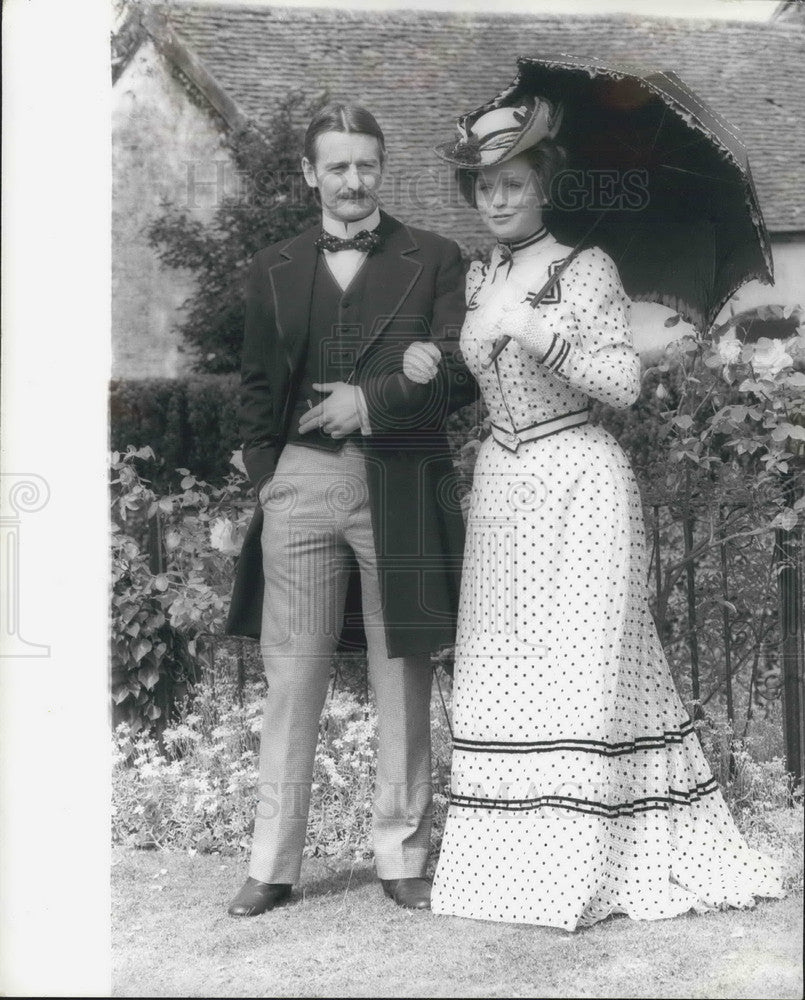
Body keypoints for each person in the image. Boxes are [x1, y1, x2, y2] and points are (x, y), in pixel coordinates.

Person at [412, 96, 785, 929]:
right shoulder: (475, 277)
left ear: (543, 184)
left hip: (579, 482)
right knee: (508, 673)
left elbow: (623, 384)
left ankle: (575, 872)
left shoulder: (586, 269)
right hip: (504, 490)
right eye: (483, 187)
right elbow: (471, 381)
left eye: (512, 183)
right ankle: (504, 877)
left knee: (581, 672)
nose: (498, 199)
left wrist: (538, 333)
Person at [225, 101, 476, 916]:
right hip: (300, 485)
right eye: (336, 165)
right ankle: (271, 863)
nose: (353, 180)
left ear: (381, 165)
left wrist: (366, 405)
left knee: (400, 668)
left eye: (365, 164)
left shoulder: (434, 257)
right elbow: (258, 389)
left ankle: (400, 853)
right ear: (309, 174)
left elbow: (457, 375)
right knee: (291, 674)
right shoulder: (272, 266)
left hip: (399, 481)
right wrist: (271, 476)